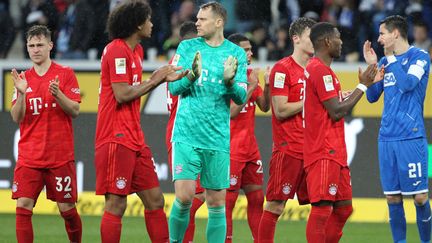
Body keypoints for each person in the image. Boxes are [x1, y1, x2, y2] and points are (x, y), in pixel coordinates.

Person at [94, 1, 187, 243]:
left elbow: (134, 87)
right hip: (115, 137)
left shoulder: (137, 52)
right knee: (116, 203)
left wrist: (160, 77)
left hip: (134, 138)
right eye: (148, 19)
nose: (152, 24)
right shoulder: (116, 50)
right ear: (137, 24)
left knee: (155, 200)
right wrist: (156, 80)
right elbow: (122, 94)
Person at [168, 2, 248, 242]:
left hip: (217, 138)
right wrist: (191, 76)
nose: (197, 23)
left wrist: (230, 82)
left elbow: (241, 97)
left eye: (203, 19)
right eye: (197, 18)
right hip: (186, 135)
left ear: (219, 22)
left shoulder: (236, 54)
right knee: (184, 197)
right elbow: (173, 87)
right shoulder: (187, 47)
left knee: (216, 203)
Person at [304, 22, 379, 242]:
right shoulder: (319, 70)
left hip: (335, 151)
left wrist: (365, 84)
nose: (341, 41)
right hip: (323, 151)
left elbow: (333, 103)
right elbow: (337, 112)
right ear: (327, 41)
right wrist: (362, 86)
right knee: (321, 210)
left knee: (344, 209)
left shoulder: (324, 71)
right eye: (337, 37)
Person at [10, 25, 82, 243]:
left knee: (67, 209)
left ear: (50, 45)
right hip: (29, 157)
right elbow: (16, 117)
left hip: (59, 156)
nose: (35, 49)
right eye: (31, 45)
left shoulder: (65, 74)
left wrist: (58, 94)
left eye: (40, 44)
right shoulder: (23, 79)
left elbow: (75, 110)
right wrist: (21, 94)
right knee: (23, 205)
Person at [363, 15, 431, 243]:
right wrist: (372, 69)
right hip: (386, 139)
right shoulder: (384, 62)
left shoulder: (419, 57)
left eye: (382, 33)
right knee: (393, 199)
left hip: (411, 137)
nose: (379, 39)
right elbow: (373, 97)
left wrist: (389, 59)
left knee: (420, 198)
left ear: (395, 33)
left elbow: (408, 84)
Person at [257, 17, 316, 243]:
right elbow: (280, 110)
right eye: (311, 37)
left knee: (324, 205)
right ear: (296, 39)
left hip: (313, 150)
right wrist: (312, 100)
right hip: (289, 148)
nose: (316, 42)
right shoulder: (283, 69)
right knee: (275, 205)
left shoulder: (316, 69)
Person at [225, 33, 270, 243]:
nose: (251, 53)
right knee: (228, 201)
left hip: (250, 149)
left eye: (251, 49)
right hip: (231, 149)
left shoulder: (250, 74)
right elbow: (232, 112)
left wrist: (267, 85)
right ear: (234, 52)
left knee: (257, 198)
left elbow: (265, 106)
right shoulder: (227, 77)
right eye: (246, 49)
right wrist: (251, 86)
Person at [165, 21, 205, 243]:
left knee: (196, 195)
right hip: (185, 133)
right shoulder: (184, 65)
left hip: (190, 131)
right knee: (190, 196)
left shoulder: (175, 63)